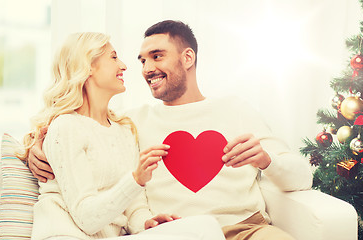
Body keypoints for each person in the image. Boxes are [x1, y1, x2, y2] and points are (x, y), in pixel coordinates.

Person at [28, 21, 313, 240]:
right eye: (142, 60)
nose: (146, 68)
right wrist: (36, 150)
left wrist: (266, 160)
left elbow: (302, 177)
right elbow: (78, 132)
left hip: (248, 230)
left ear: (187, 58)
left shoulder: (236, 109)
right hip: (179, 233)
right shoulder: (130, 123)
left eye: (156, 56)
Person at [19, 32, 225, 240]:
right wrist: (135, 179)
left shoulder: (124, 129)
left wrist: (146, 223)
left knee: (205, 225)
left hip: (111, 237)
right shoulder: (66, 127)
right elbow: (87, 218)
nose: (124, 66)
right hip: (66, 235)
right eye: (114, 57)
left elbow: (134, 207)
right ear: (88, 66)